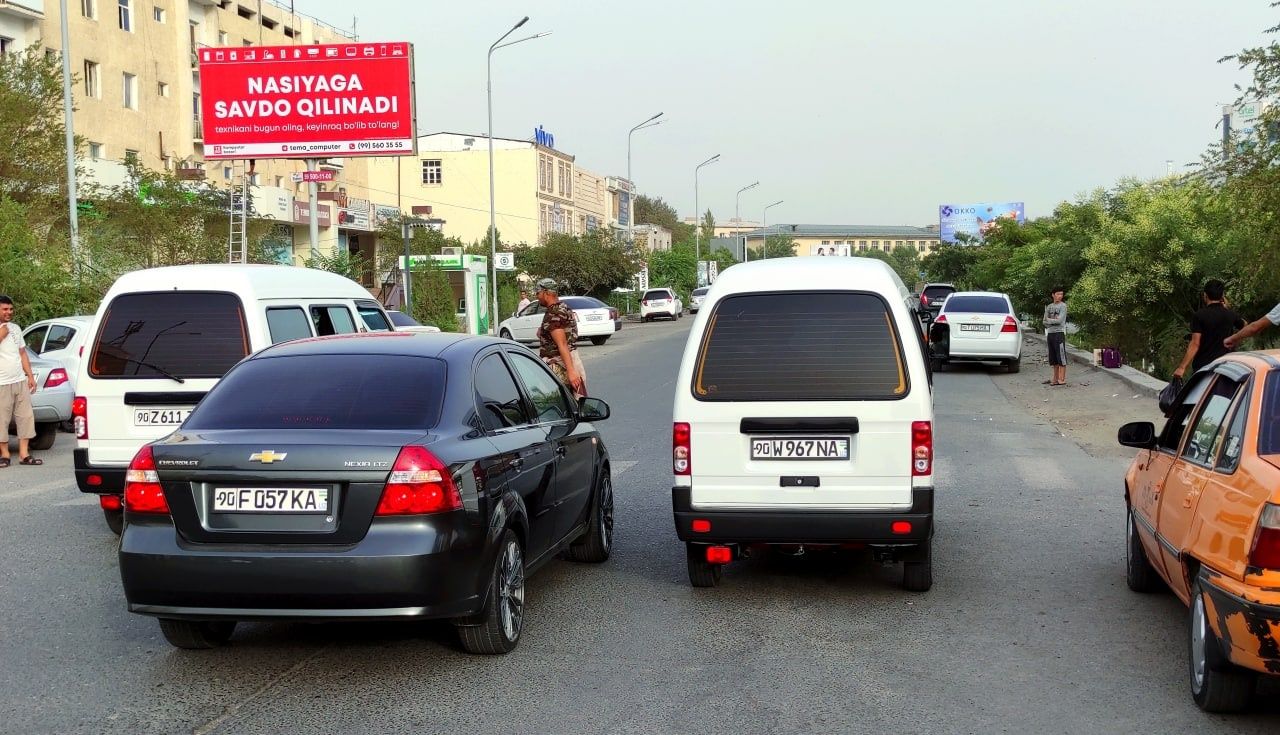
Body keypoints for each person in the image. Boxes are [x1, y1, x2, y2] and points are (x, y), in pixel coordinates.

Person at [0, 295, 41, 467]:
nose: (9, 312)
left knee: (25, 416)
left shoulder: (15, 328)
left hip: (19, 380)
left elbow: (22, 353)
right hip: (1, 383)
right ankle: (5, 454)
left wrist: (29, 376)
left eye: (10, 309)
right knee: (2, 419)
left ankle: (24, 454)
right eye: (5, 309)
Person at [1173, 279, 1243, 379]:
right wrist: (1236, 340)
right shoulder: (1230, 314)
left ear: (1205, 295)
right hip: (1225, 366)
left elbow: (1195, 343)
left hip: (1204, 367)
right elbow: (1245, 325)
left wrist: (1182, 367)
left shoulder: (1199, 316)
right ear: (1222, 296)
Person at [533, 278, 586, 397]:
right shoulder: (563, 307)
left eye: (538, 293)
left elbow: (562, 344)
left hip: (560, 365)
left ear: (546, 293)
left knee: (557, 405)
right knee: (575, 404)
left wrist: (571, 372)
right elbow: (565, 333)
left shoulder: (554, 313)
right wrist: (543, 332)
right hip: (571, 360)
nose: (537, 296)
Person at [1044, 287, 1068, 386]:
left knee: (1061, 356)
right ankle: (1055, 379)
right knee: (1053, 357)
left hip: (1059, 333)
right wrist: (1051, 321)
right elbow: (1044, 322)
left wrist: (1050, 320)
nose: (1060, 296)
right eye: (1058, 294)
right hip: (1050, 333)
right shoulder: (1049, 307)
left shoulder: (1063, 306)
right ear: (1053, 295)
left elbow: (1059, 320)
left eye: (1061, 294)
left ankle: (1062, 378)